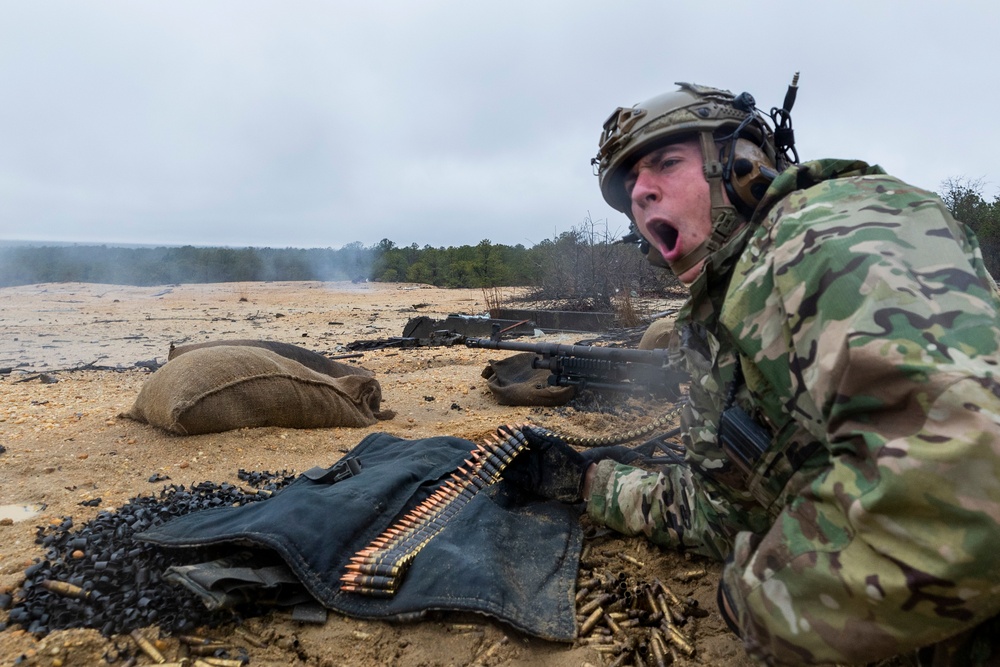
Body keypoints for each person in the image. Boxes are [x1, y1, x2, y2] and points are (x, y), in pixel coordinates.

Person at [505, 79, 1000, 665]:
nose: (641, 194)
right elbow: (729, 509)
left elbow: (970, 477)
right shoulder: (737, 299)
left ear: (741, 166)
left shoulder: (826, 230)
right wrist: (593, 484)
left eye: (666, 163)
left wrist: (762, 603)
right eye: (631, 186)